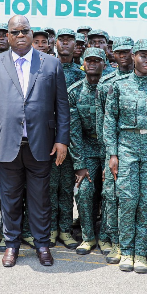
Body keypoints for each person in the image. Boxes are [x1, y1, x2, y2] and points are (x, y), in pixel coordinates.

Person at [0, 15, 70, 268]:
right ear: (6, 36)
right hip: (5, 143)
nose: (20, 35)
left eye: (25, 31)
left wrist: (62, 140)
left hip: (41, 143)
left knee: (40, 198)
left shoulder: (50, 64)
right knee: (10, 198)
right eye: (14, 32)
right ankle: (11, 245)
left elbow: (62, 106)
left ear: (32, 35)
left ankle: (41, 244)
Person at [104, 39, 147, 274]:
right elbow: (109, 121)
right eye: (143, 55)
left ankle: (141, 252)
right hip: (127, 146)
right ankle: (126, 250)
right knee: (126, 199)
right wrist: (112, 153)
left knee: (146, 201)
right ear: (134, 56)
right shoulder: (119, 85)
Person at [95, 36, 135, 261]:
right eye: (118, 52)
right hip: (112, 151)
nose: (123, 56)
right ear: (113, 54)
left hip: (138, 148)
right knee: (111, 196)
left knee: (133, 198)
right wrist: (107, 154)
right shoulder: (106, 82)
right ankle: (114, 239)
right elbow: (103, 123)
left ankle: (135, 242)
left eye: (127, 51)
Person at [68, 47, 106, 254]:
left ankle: (108, 237)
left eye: (97, 60)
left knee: (111, 192)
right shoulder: (74, 92)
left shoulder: (111, 88)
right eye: (88, 60)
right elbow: (73, 132)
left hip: (109, 148)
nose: (92, 63)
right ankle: (88, 237)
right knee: (84, 191)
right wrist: (80, 165)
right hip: (87, 148)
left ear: (104, 63)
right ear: (83, 63)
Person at [49, 29, 83, 248]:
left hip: (73, 139)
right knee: (50, 187)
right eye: (62, 40)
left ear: (75, 44)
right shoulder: (47, 68)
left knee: (67, 187)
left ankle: (65, 229)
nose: (65, 44)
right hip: (49, 137)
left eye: (70, 40)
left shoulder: (81, 75)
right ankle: (51, 229)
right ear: (56, 44)